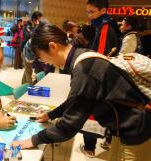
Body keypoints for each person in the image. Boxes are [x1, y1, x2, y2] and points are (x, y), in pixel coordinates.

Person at [11, 23, 151, 161]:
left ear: (53, 47)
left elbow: (69, 126)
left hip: (136, 130)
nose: (44, 62)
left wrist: (35, 140)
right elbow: (78, 100)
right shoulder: (82, 55)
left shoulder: (84, 70)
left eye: (40, 57)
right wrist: (52, 114)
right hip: (126, 128)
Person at [82, 0, 121, 156]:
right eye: (88, 12)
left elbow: (98, 58)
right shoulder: (111, 25)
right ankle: (109, 141)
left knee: (93, 112)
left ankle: (89, 148)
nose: (89, 16)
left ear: (103, 10)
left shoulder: (104, 28)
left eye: (92, 12)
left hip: (101, 79)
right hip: (113, 77)